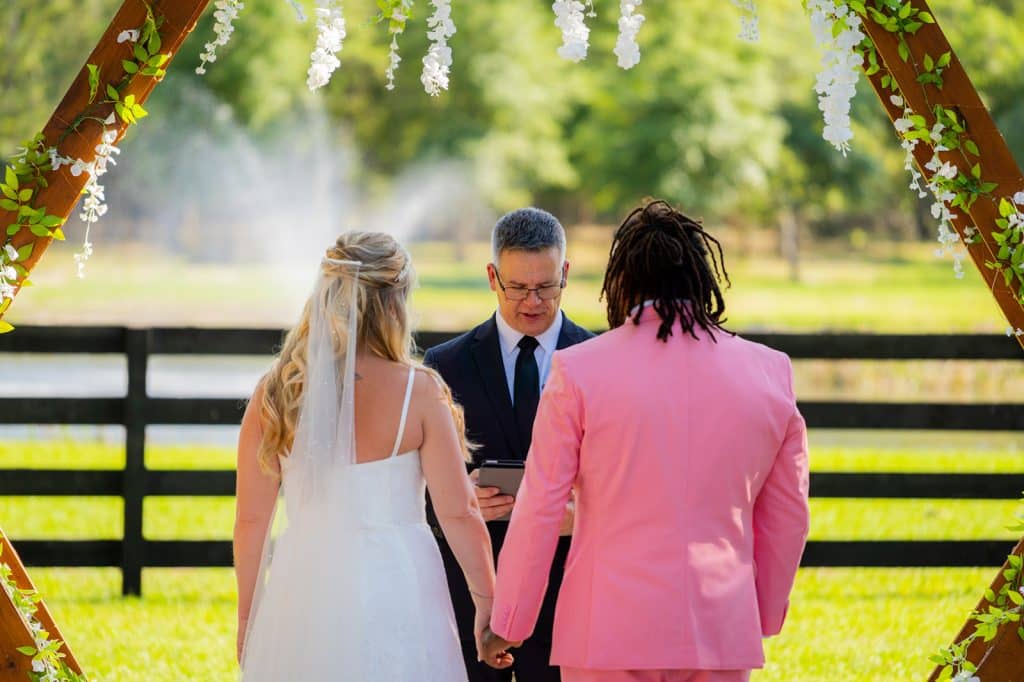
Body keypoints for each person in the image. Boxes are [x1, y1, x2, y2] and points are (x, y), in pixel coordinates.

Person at [480, 200, 811, 682]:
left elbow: (540, 507)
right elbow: (788, 514)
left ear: (622, 281)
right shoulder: (770, 371)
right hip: (718, 625)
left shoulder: (578, 370)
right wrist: (761, 614)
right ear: (702, 277)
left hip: (605, 628)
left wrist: (509, 624)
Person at [233, 231, 496, 680]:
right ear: (395, 304)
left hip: (306, 581)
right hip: (398, 580)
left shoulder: (277, 391)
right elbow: (460, 512)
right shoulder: (420, 391)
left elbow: (251, 521)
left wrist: (248, 619)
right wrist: (487, 602)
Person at [424, 207, 594, 681]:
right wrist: (459, 499)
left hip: (568, 591)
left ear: (565, 273)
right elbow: (415, 485)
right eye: (518, 287)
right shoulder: (445, 363)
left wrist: (584, 512)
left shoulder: (598, 360)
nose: (533, 300)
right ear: (492, 276)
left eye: (546, 286)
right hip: (474, 589)